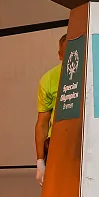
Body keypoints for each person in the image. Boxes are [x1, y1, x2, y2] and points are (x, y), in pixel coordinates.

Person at [34, 34, 66, 187]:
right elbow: (42, 122)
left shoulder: (94, 74)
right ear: (60, 55)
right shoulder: (49, 79)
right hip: (57, 146)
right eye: (65, 53)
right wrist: (40, 161)